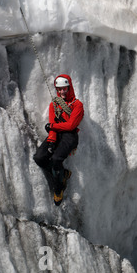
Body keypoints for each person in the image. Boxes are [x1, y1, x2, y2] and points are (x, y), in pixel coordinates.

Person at [33, 74, 84, 205]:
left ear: (69, 88)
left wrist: (52, 127)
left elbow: (71, 125)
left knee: (56, 159)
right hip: (56, 133)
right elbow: (52, 123)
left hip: (70, 136)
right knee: (39, 157)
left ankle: (59, 188)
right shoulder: (54, 105)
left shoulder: (77, 105)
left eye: (64, 89)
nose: (62, 91)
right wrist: (51, 139)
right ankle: (63, 173)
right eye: (59, 89)